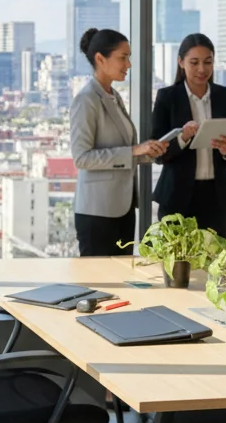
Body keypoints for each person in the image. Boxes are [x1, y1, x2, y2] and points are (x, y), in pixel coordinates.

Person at [70, 27, 168, 256]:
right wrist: (134, 150)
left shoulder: (113, 96)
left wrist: (148, 152)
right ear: (100, 59)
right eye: (123, 57)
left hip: (121, 209)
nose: (129, 64)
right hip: (97, 212)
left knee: (122, 279)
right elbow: (82, 158)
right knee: (99, 284)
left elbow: (125, 152)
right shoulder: (86, 100)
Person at [150, 33, 226, 239]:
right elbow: (157, 154)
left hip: (218, 197)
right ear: (180, 62)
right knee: (178, 267)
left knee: (214, 264)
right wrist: (182, 138)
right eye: (194, 62)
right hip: (177, 196)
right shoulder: (168, 98)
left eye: (208, 62)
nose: (202, 69)